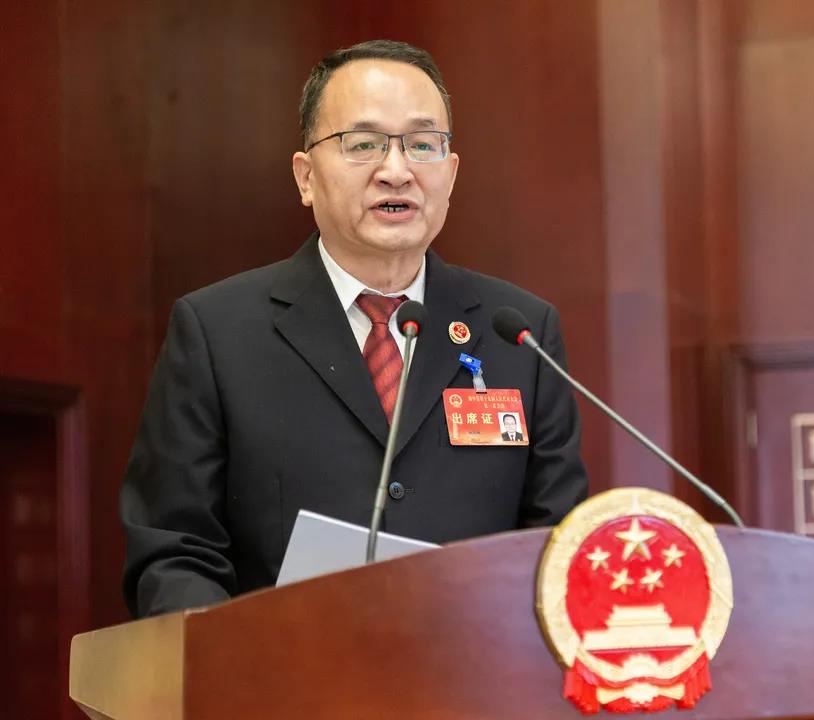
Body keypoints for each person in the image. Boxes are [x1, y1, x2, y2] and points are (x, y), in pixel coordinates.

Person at [120, 39, 588, 618]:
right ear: (306, 177)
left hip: (476, 667)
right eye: (363, 144)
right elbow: (174, 555)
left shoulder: (518, 334)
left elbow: (560, 548)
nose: (396, 171)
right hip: (282, 669)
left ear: (451, 174)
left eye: (422, 144)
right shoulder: (218, 333)